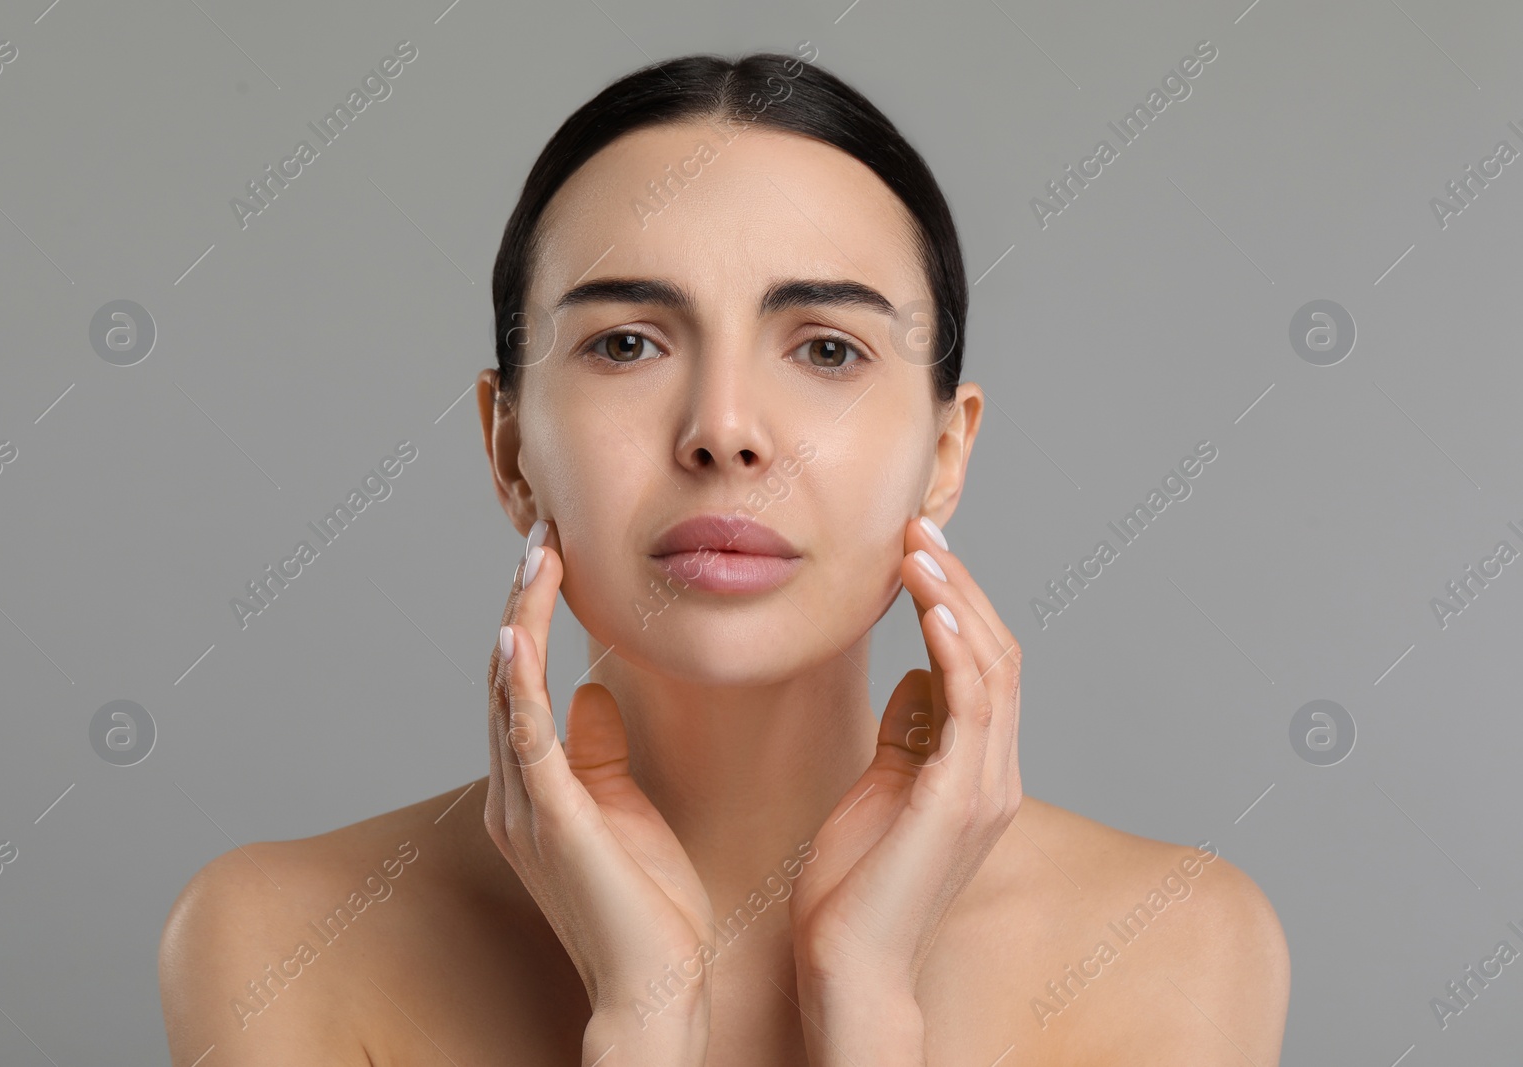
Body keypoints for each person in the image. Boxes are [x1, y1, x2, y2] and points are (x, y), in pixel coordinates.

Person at [159, 49, 1289, 1065]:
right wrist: (642, 1020)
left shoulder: (1174, 942)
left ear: (944, 453)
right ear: (509, 448)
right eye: (626, 342)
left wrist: (867, 1008)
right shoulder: (281, 938)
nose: (725, 427)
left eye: (829, 347)